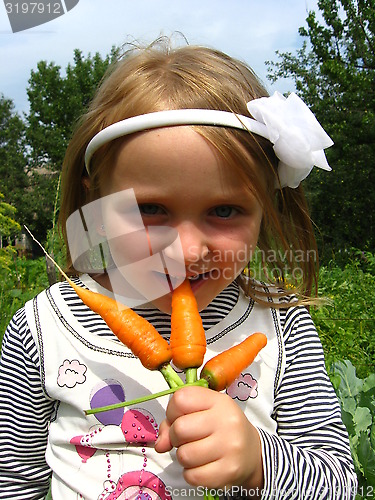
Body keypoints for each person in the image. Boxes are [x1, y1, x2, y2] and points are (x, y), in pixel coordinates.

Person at [0, 38, 357, 500]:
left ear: (265, 208)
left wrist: (258, 461)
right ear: (96, 202)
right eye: (151, 208)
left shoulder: (281, 322)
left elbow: (339, 483)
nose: (187, 251)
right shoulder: (42, 329)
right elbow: (13, 485)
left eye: (225, 211)